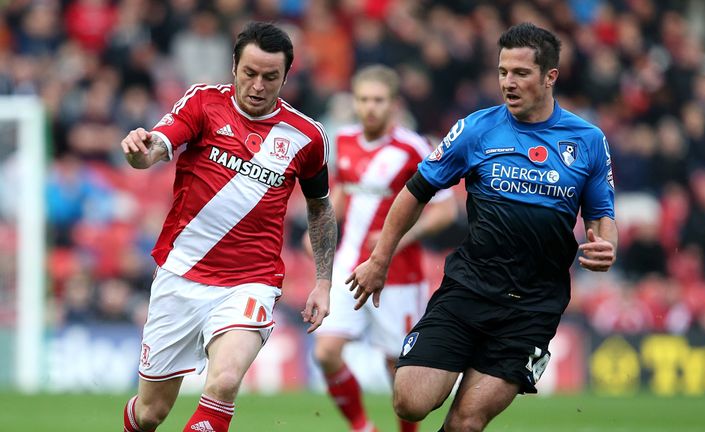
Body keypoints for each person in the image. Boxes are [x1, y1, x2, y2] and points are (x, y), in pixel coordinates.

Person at [347, 23, 618, 432]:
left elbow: (602, 215)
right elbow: (414, 191)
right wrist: (379, 259)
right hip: (468, 289)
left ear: (550, 77)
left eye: (521, 73)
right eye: (502, 71)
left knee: (466, 422)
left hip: (533, 306)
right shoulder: (476, 129)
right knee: (410, 401)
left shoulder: (588, 140)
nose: (508, 82)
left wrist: (606, 246)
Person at [119, 22, 336, 432]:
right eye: (249, 73)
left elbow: (320, 208)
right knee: (151, 414)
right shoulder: (203, 103)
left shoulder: (307, 136)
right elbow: (157, 147)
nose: (257, 85)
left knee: (224, 381)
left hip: (250, 281)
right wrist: (138, 152)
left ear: (286, 77)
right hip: (181, 273)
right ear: (233, 66)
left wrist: (323, 281)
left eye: (270, 77)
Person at [311, 65, 457, 432]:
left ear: (393, 104)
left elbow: (446, 209)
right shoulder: (342, 140)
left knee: (399, 368)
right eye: (363, 100)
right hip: (347, 266)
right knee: (326, 353)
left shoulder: (413, 148)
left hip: (399, 275)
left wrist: (397, 239)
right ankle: (363, 427)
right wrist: (320, 229)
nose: (370, 108)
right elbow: (342, 195)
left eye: (378, 100)